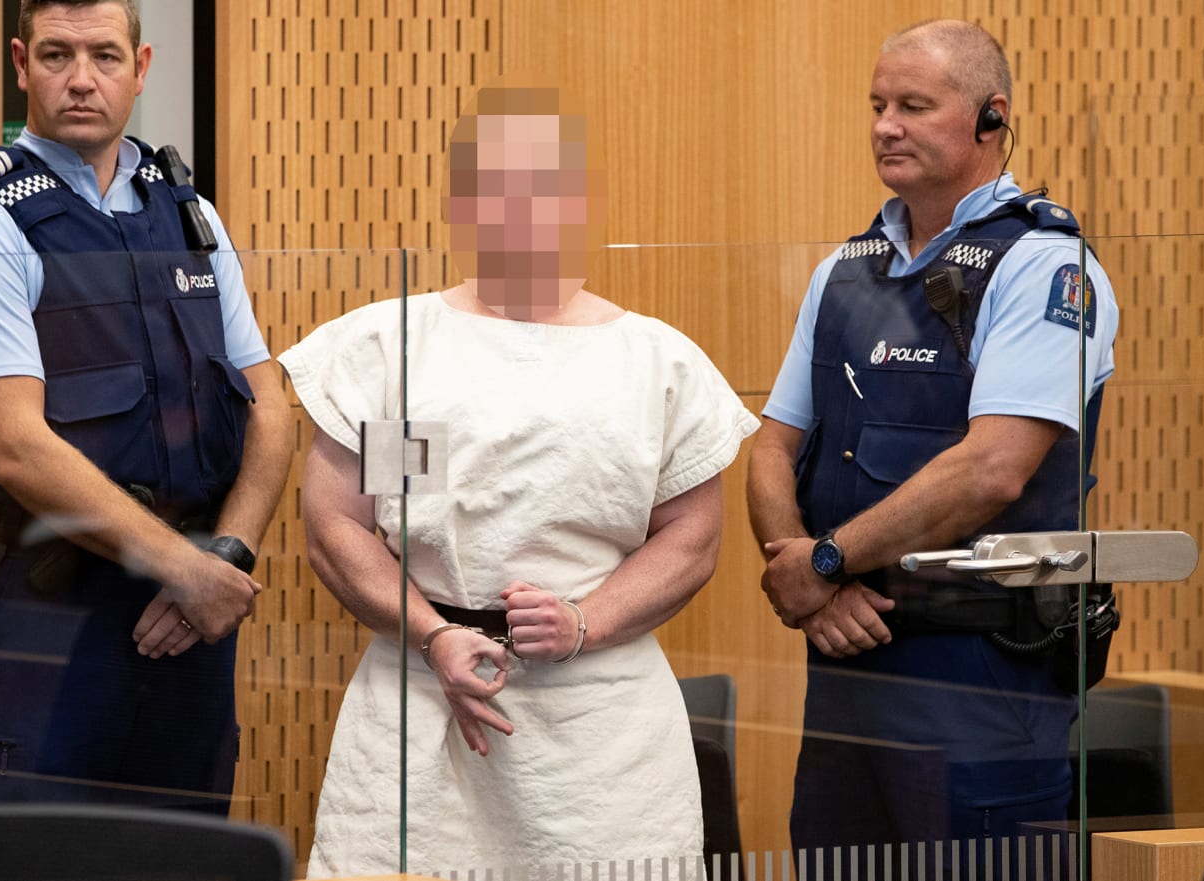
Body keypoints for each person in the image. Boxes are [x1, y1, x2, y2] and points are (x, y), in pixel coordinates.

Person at [279, 84, 759, 875]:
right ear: (460, 206)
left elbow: (692, 539)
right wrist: (435, 634)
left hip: (603, 736)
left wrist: (583, 621)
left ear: (579, 204)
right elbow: (339, 526)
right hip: (418, 702)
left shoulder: (656, 362)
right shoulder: (397, 350)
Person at [746, 18, 1120, 874]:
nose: (886, 125)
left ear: (992, 118)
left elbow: (994, 469)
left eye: (914, 106)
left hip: (981, 672)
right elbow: (771, 447)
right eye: (877, 105)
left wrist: (827, 560)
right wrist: (808, 581)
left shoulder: (1044, 264)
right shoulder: (845, 269)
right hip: (846, 651)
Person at [0, 0, 293, 810]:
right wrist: (188, 569)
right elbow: (15, 448)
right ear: (22, 65)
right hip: (45, 624)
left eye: (105, 56)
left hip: (187, 623)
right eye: (57, 55)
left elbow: (269, 403)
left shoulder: (189, 215)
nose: (81, 79)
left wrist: (226, 558)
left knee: (185, 857)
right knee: (36, 858)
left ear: (140, 68)